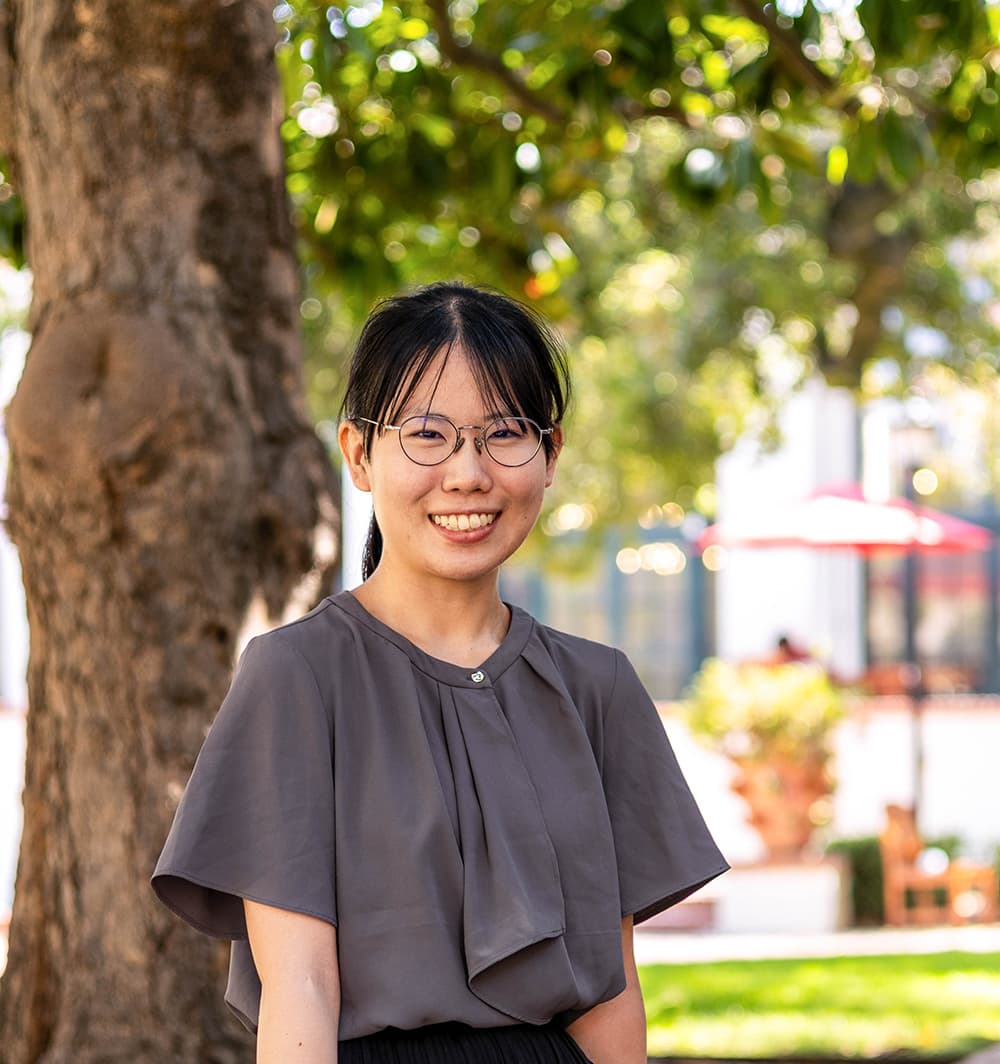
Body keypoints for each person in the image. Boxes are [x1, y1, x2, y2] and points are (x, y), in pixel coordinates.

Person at [152, 282, 728, 1063]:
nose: (467, 474)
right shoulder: (296, 677)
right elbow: (302, 992)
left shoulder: (599, 688)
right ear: (358, 454)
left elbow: (611, 994)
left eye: (505, 434)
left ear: (550, 455)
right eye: (427, 434)